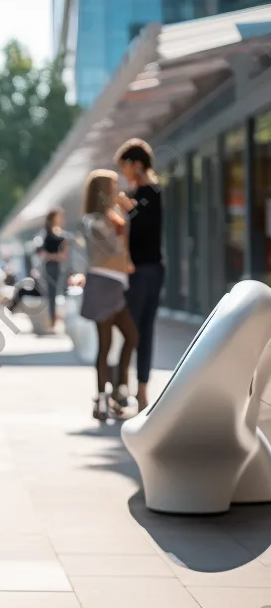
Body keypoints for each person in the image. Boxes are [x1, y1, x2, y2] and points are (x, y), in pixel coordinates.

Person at [80, 170, 139, 422]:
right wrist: (125, 222)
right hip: (102, 286)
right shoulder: (94, 221)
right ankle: (103, 397)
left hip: (115, 285)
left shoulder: (110, 218)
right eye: (113, 186)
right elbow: (114, 250)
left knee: (130, 336)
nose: (118, 191)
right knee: (105, 344)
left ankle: (118, 389)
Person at [117, 138, 164, 411]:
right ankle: (132, 388)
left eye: (125, 167)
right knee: (137, 331)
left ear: (136, 165)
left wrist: (126, 208)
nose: (124, 173)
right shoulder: (140, 195)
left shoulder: (149, 193)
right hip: (146, 271)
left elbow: (141, 226)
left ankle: (136, 388)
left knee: (135, 331)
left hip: (144, 271)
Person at [35, 208, 69, 331]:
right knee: (51, 293)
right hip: (50, 267)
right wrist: (54, 256)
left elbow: (64, 255)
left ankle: (60, 319)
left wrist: (53, 256)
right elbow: (41, 253)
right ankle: (52, 321)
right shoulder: (46, 234)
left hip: (61, 267)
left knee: (62, 293)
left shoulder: (62, 234)